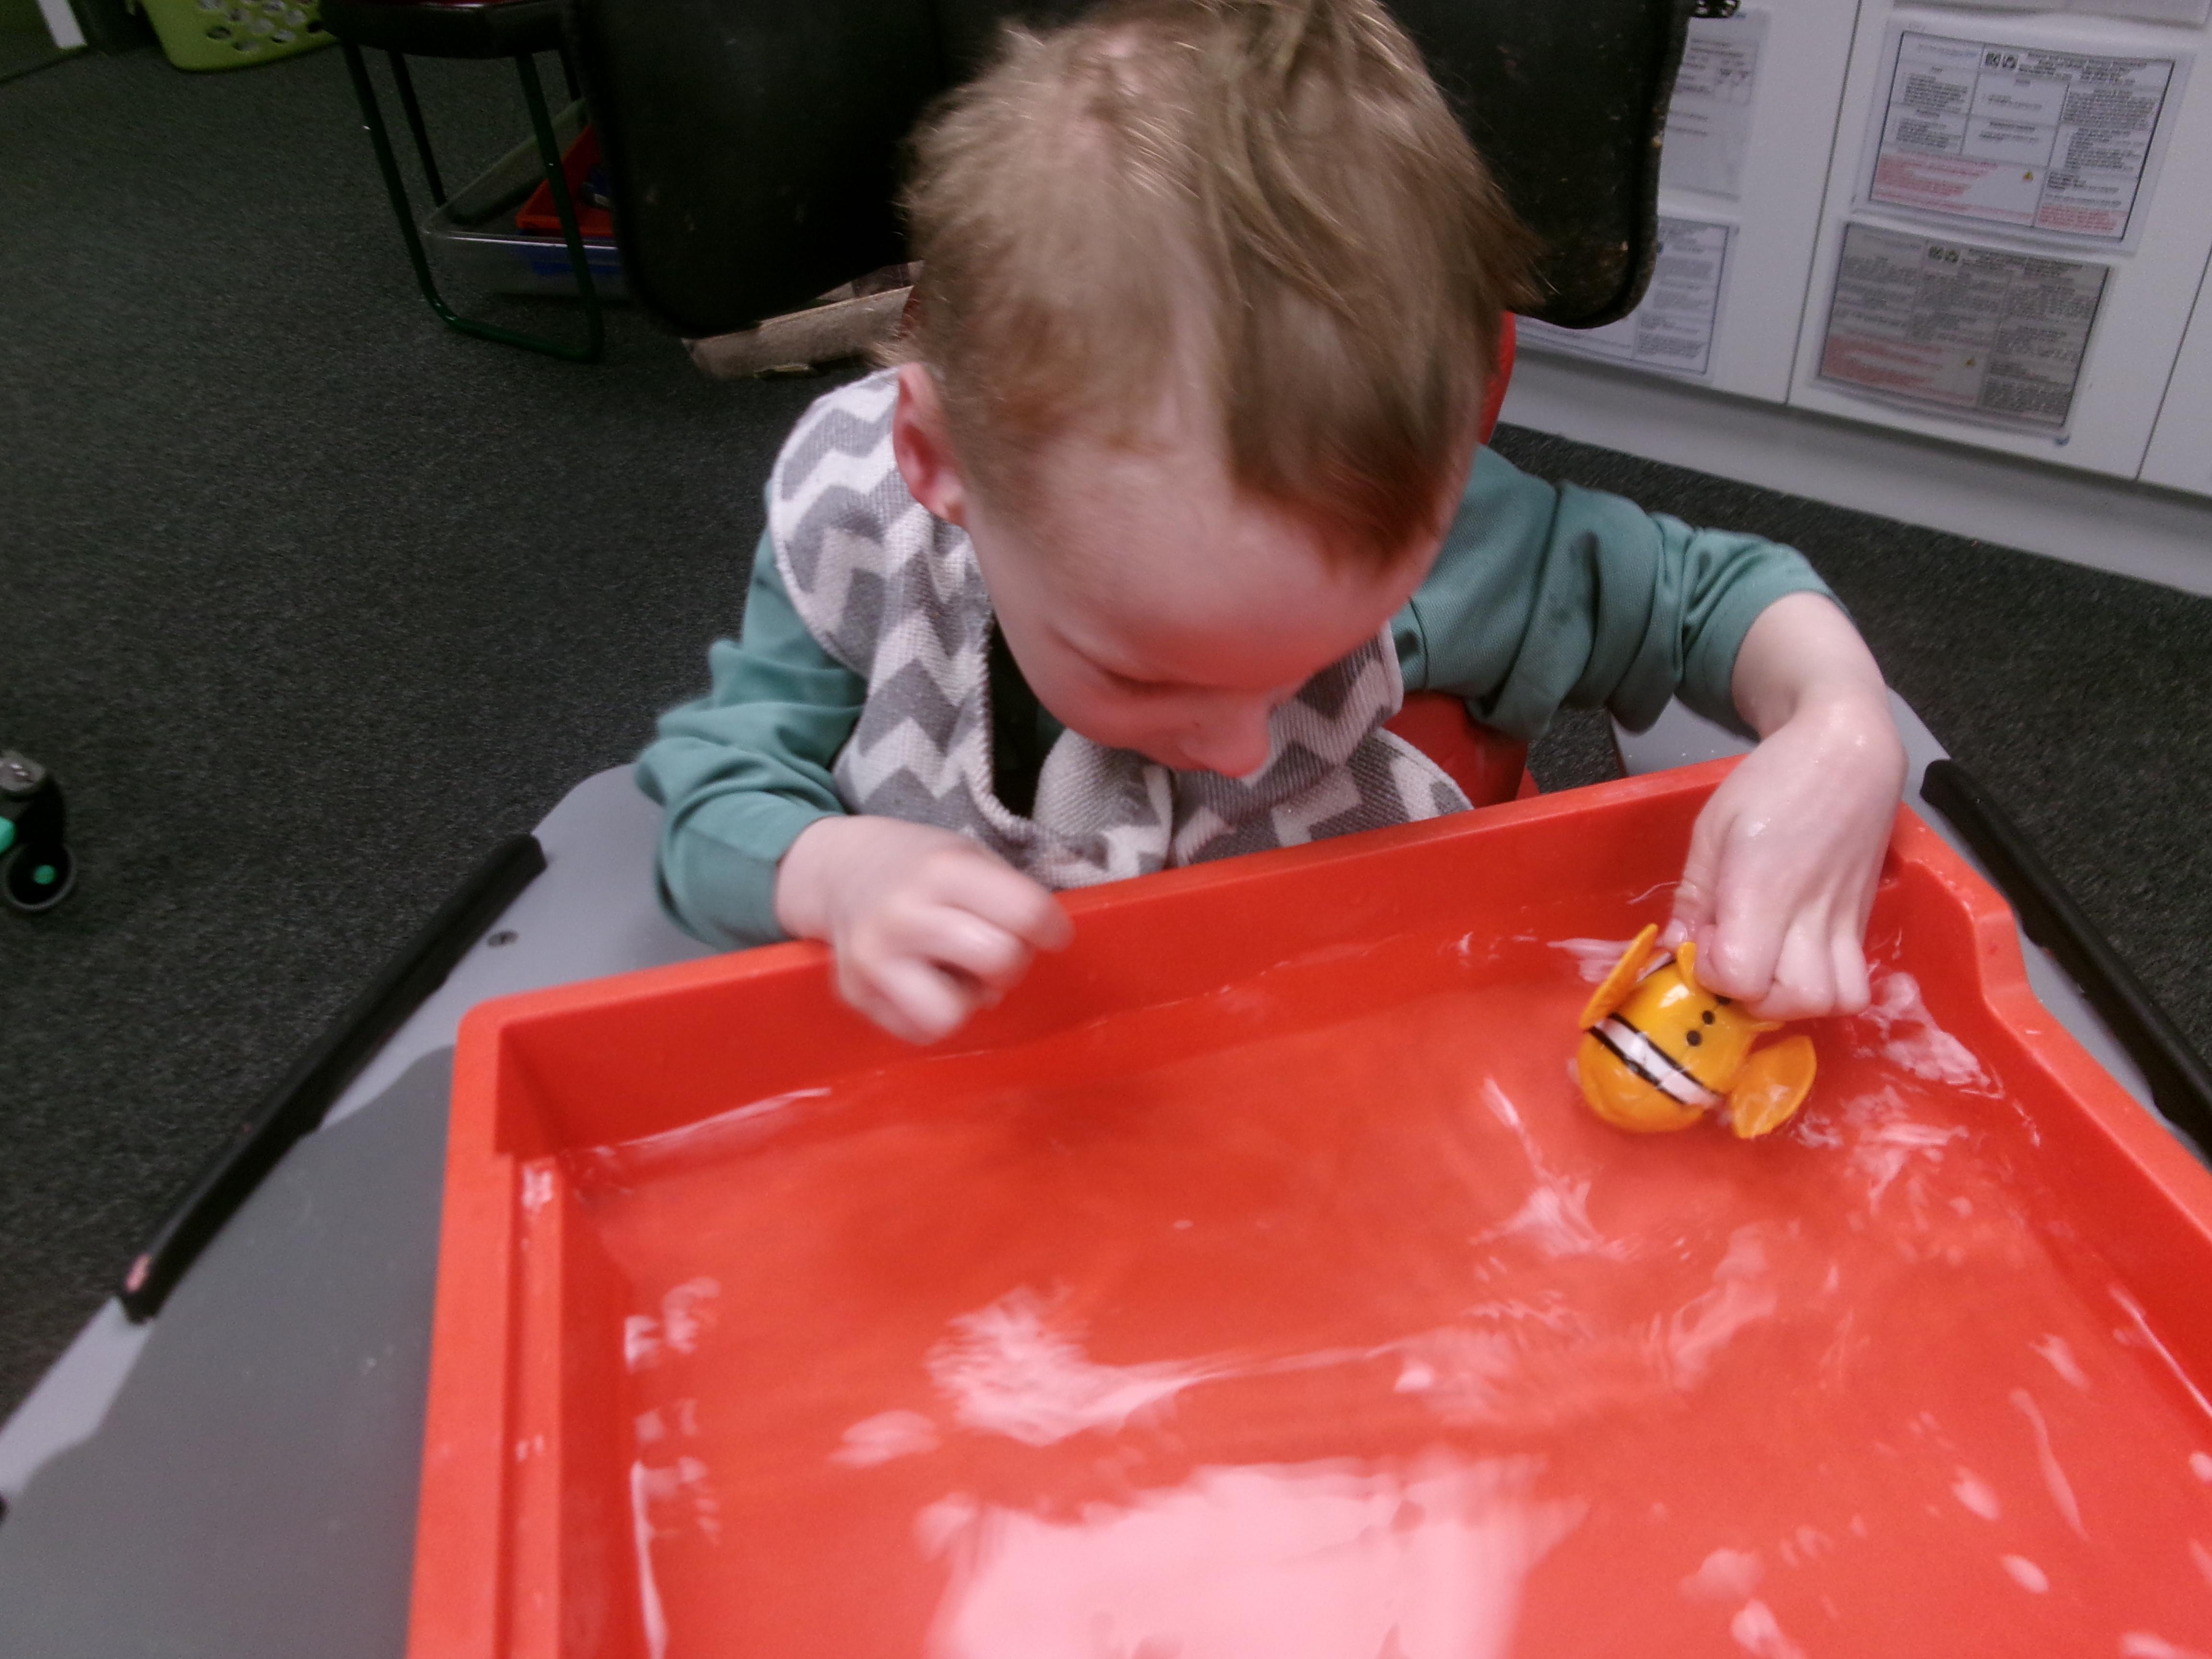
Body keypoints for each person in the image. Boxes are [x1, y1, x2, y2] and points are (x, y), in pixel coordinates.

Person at [637, 0, 1906, 1046]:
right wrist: (832, 872)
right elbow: (712, 799)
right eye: (1146, 675)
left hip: (1324, 1056)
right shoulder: (862, 522)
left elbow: (1713, 598)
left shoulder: (1433, 536)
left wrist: (1842, 725)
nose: (1243, 749)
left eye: (1311, 662)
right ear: (938, 460)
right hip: (988, 1099)